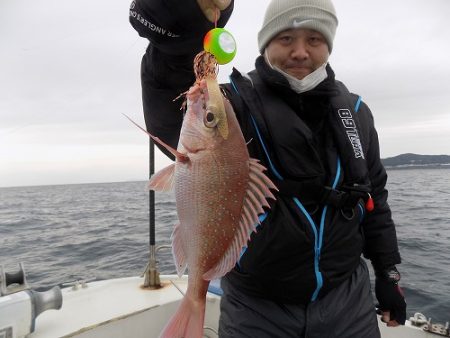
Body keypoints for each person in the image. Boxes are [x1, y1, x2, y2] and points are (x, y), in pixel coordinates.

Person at [129, 0, 407, 337]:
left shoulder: (356, 113)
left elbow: (374, 198)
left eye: (314, 39)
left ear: (329, 46)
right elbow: (169, 101)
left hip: (348, 300)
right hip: (256, 308)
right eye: (286, 38)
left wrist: (388, 272)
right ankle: (195, 299)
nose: (301, 52)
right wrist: (186, 18)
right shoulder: (233, 106)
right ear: (266, 43)